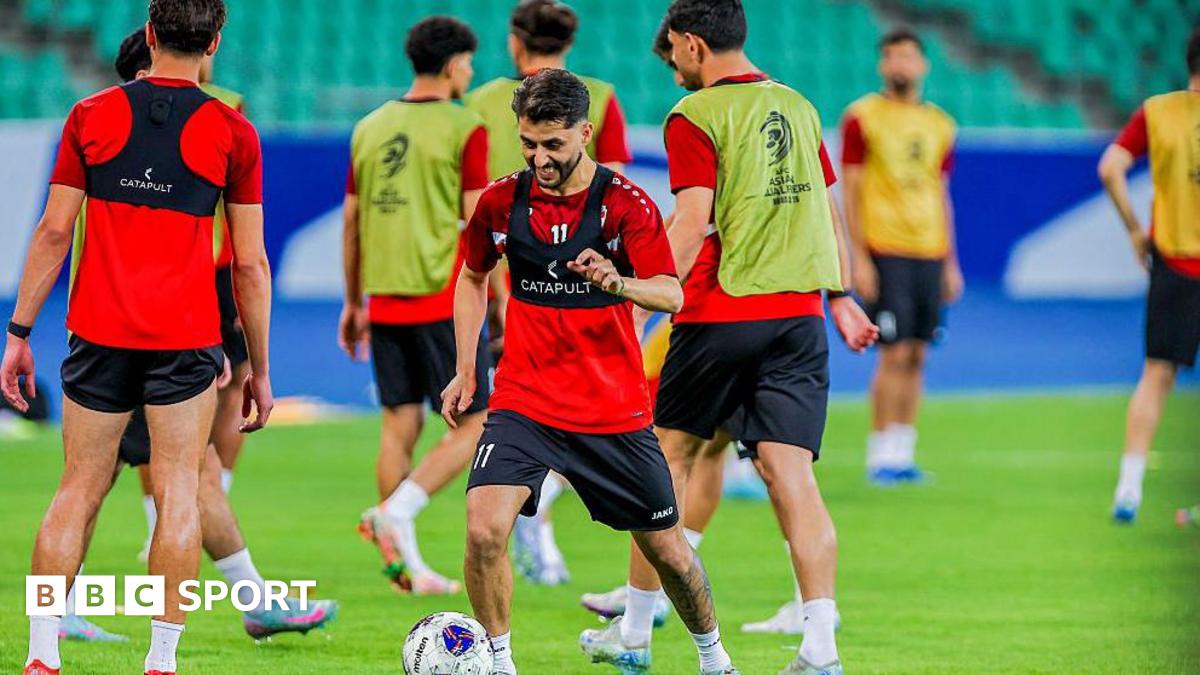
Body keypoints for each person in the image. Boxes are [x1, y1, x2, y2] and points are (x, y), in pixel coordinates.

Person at [593, 2, 879, 673]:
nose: (673, 76)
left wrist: (633, 305)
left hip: (722, 311)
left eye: (672, 58)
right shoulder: (801, 105)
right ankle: (820, 649)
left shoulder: (695, 116)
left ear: (692, 45)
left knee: (665, 460)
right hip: (800, 319)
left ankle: (633, 634)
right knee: (792, 474)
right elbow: (824, 207)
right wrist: (839, 297)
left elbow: (691, 223)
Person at [1, 0, 274, 673]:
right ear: (213, 42)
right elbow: (248, 263)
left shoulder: (90, 116)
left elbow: (53, 232)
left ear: (150, 35)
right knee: (179, 488)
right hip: (184, 338)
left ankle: (42, 656)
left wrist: (18, 331)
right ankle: (162, 661)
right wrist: (259, 369)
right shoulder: (233, 132)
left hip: (98, 332)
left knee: (76, 488)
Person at [442, 68, 740, 675]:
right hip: (525, 400)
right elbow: (472, 278)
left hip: (612, 409)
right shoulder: (501, 202)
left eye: (553, 144)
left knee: (669, 552)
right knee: (483, 531)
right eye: (528, 143)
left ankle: (714, 659)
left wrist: (617, 281)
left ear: (585, 131)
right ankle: (498, 663)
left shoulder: (625, 206)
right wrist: (465, 368)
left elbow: (671, 294)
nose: (539, 157)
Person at [466, 1, 635, 585]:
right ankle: (516, 513)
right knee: (558, 410)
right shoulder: (602, 96)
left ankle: (416, 515)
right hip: (579, 293)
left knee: (481, 411)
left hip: (499, 273)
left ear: (515, 42)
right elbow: (607, 198)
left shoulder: (482, 99)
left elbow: (465, 190)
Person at [343, 16, 492, 595]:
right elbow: (481, 225)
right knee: (477, 425)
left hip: (384, 297)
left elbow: (354, 220)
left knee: (398, 423)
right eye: (469, 65)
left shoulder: (369, 126)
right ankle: (397, 512)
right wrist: (497, 299)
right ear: (455, 64)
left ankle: (402, 568)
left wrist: (354, 300)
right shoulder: (466, 128)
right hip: (443, 296)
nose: (470, 74)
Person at [841, 28, 960, 485]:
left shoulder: (941, 124)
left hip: (929, 250)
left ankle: (903, 450)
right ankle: (879, 454)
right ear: (881, 66)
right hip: (885, 248)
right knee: (892, 352)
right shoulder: (863, 118)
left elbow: (941, 192)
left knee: (918, 353)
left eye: (909, 56)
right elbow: (850, 190)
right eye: (892, 57)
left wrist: (950, 260)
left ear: (923, 64)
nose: (901, 65)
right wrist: (860, 257)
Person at [1099, 27, 1200, 523]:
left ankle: (1129, 487)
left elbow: (1110, 167)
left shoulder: (1158, 111)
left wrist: (1136, 231)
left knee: (1157, 374)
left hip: (1174, 263)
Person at [467, 0, 632, 179]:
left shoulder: (478, 100)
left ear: (515, 43)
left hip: (497, 207)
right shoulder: (601, 96)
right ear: (568, 44)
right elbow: (614, 181)